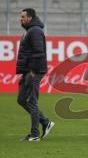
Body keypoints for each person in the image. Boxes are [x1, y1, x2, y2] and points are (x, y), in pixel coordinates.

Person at [16, 8, 54, 141]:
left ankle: (35, 134)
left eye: (23, 17)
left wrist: (32, 70)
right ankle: (45, 122)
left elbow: (39, 52)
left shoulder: (35, 31)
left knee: (32, 101)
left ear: (30, 18)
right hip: (27, 71)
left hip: (34, 71)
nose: (21, 19)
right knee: (21, 99)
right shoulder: (29, 31)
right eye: (21, 17)